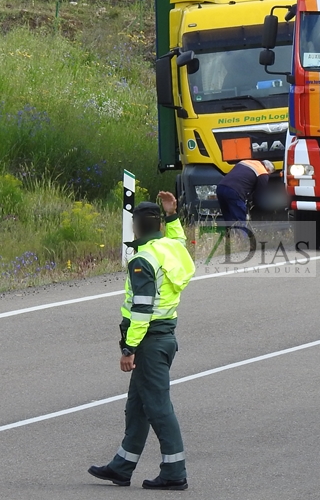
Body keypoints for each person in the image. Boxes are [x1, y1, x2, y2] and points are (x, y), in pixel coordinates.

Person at [88, 191, 195, 491]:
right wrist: (172, 214)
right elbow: (180, 242)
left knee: (158, 407)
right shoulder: (170, 249)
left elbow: (142, 310)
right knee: (137, 406)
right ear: (158, 226)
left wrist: (128, 348)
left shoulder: (143, 261)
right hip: (165, 337)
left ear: (136, 228)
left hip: (148, 341)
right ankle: (122, 467)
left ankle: (175, 472)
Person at [216, 159, 275, 228]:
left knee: (228, 220)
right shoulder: (262, 172)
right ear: (267, 169)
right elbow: (260, 194)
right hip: (234, 192)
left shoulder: (245, 162)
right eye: (269, 173)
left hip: (220, 187)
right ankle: (242, 238)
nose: (268, 175)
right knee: (240, 220)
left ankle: (230, 237)